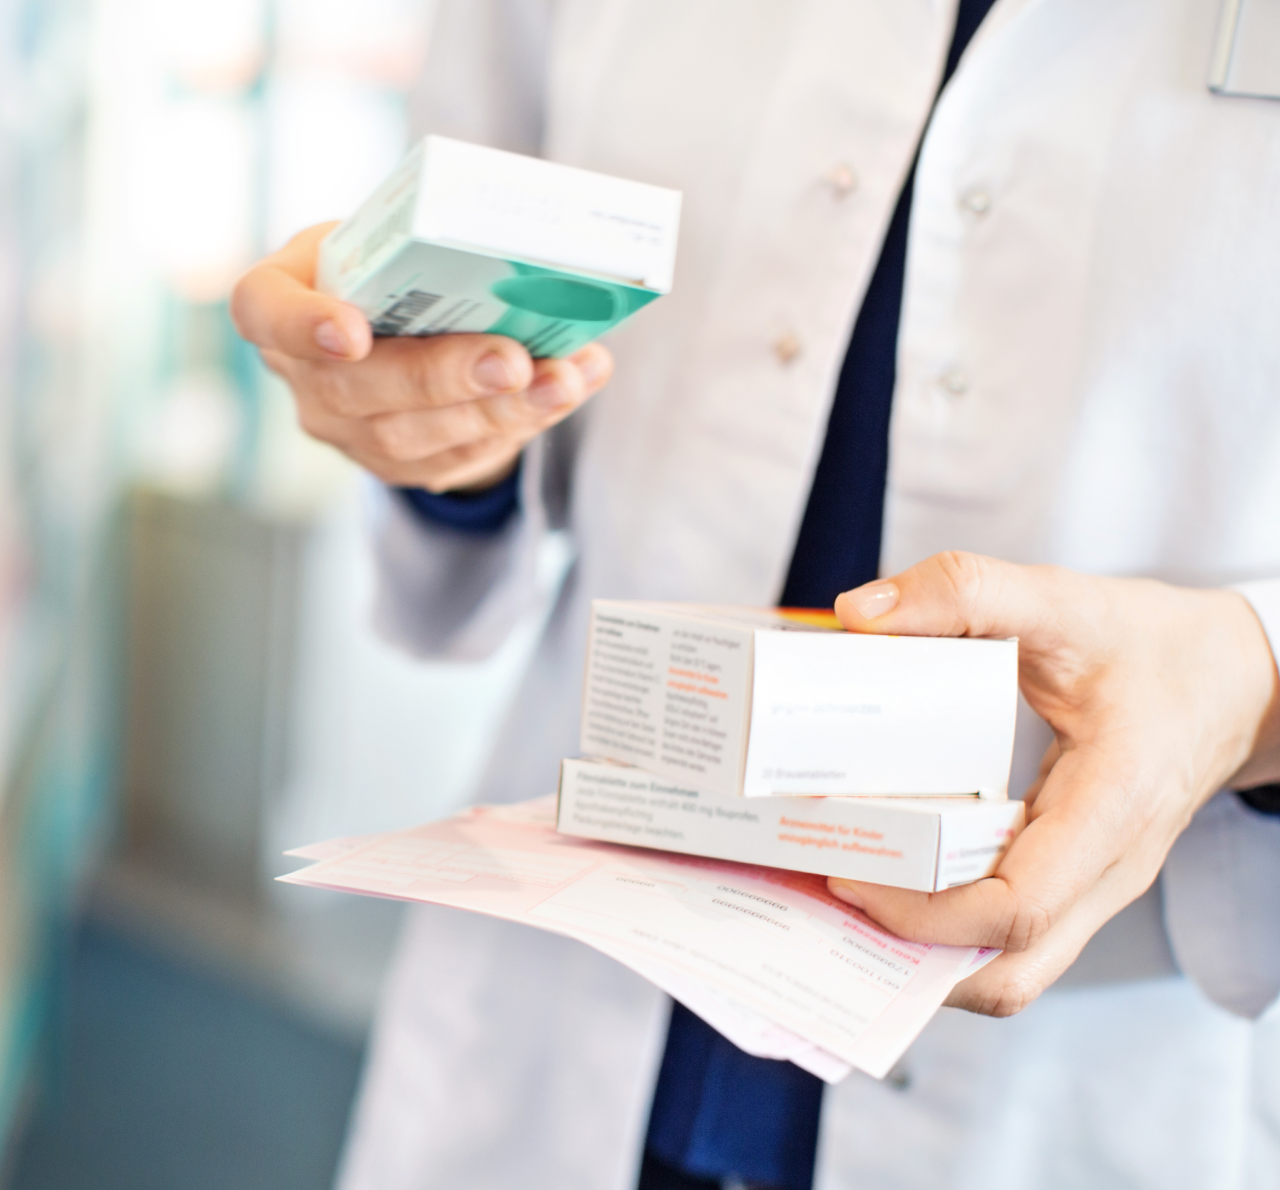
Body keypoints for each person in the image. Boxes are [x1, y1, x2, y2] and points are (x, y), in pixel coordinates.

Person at [232, 1, 1280, 1187]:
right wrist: (435, 431)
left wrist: (1250, 682)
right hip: (580, 1003)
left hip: (1100, 1061)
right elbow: (478, 307)